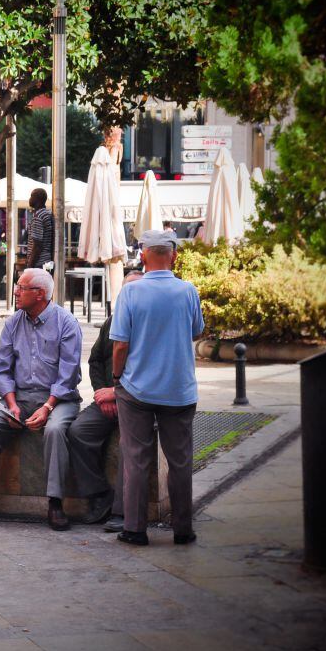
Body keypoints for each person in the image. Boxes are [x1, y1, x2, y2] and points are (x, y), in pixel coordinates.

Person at [0, 268, 82, 529]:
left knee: (55, 430)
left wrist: (47, 407)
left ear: (40, 294)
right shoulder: (13, 322)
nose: (15, 292)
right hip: (19, 397)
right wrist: (11, 405)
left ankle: (55, 504)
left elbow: (68, 375)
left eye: (21, 287)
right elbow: (2, 368)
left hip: (58, 399)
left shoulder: (67, 323)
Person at [111, 230, 205, 546]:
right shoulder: (188, 291)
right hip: (179, 390)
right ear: (174, 255)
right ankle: (182, 529)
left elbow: (120, 344)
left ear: (144, 254)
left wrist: (116, 377)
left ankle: (135, 529)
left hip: (137, 389)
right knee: (180, 462)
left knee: (136, 460)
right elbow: (195, 332)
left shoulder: (131, 293)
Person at [67, 270, 145, 534]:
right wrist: (102, 392)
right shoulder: (112, 321)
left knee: (127, 446)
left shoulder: (148, 323)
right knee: (78, 431)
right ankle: (99, 494)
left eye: (135, 289)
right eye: (126, 290)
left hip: (138, 401)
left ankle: (123, 512)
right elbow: (95, 360)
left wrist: (117, 391)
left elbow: (148, 368)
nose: (129, 295)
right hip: (108, 398)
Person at [25, 189, 53, 270]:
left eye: (31, 196)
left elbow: (37, 245)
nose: (29, 199)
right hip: (46, 262)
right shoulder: (47, 213)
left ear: (38, 199)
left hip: (38, 263)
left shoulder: (38, 217)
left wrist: (30, 265)